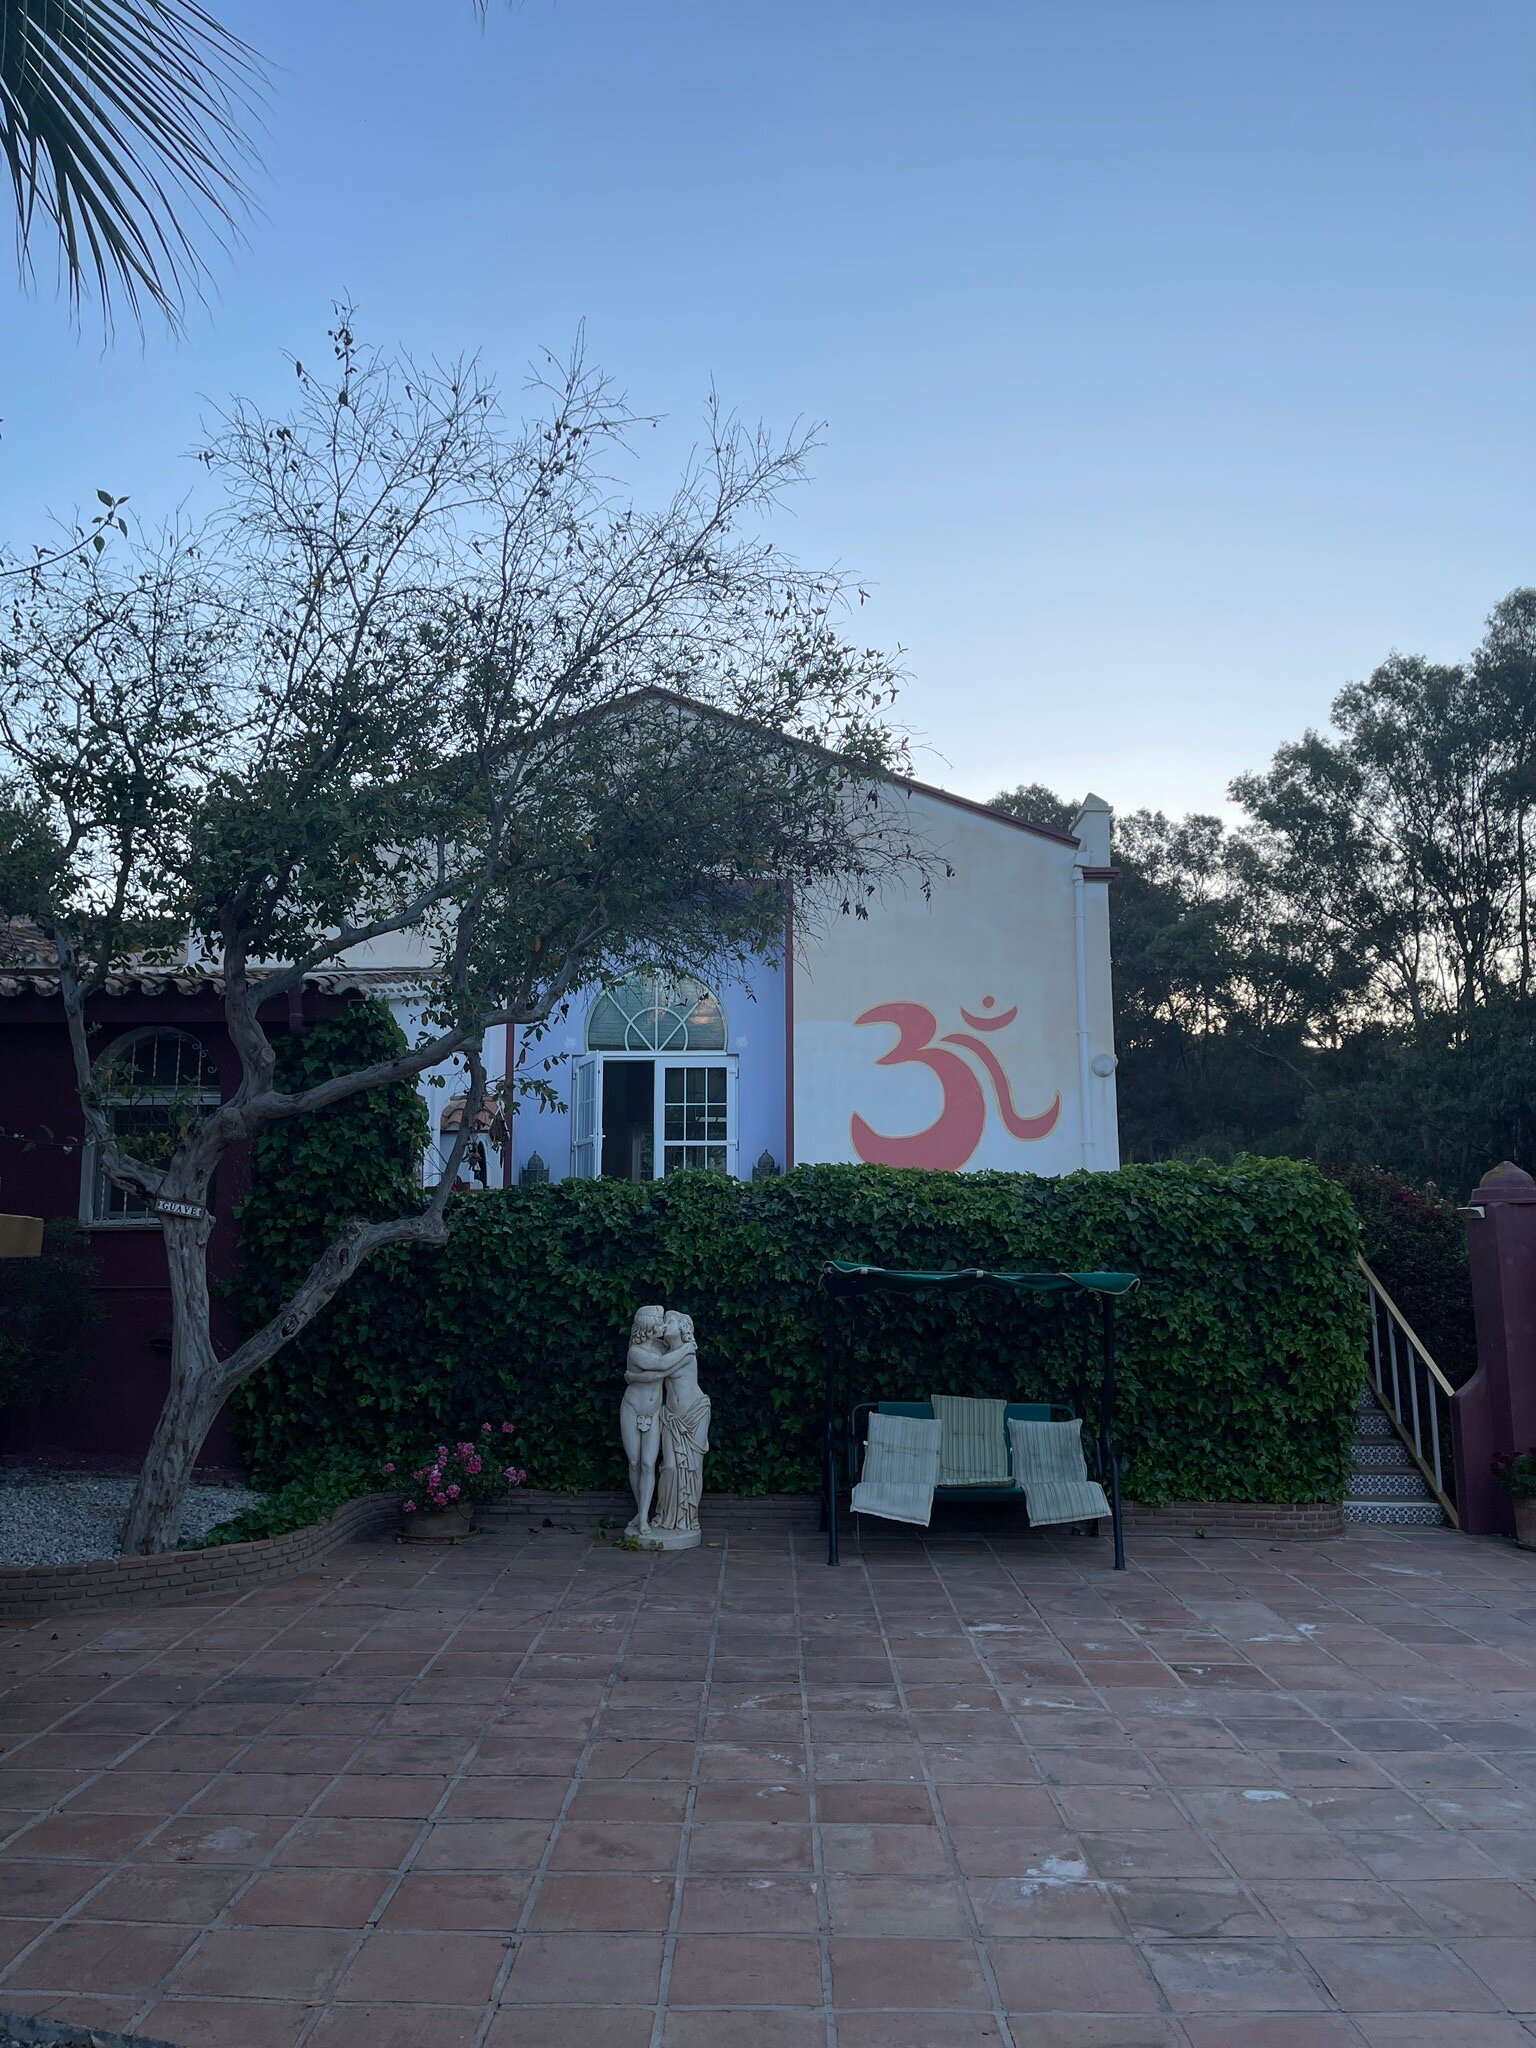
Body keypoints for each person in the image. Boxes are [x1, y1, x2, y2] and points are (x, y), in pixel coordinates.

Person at [620, 1304, 694, 1538]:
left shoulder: (663, 1347)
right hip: (632, 1409)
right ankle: (640, 1508)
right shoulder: (635, 1351)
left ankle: (643, 1516)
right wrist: (687, 1350)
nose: (663, 1326)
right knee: (634, 1462)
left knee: (648, 1464)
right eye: (659, 1323)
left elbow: (666, 1366)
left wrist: (635, 1377)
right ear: (649, 1327)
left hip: (653, 1411)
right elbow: (661, 1368)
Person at [654, 1309, 712, 1537]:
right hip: (672, 1417)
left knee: (693, 1468)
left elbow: (660, 1367)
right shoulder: (671, 1352)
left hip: (695, 1413)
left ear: (683, 1328)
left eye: (670, 1322)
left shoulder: (687, 1353)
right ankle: (666, 1515)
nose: (665, 1325)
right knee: (669, 1466)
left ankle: (688, 1517)